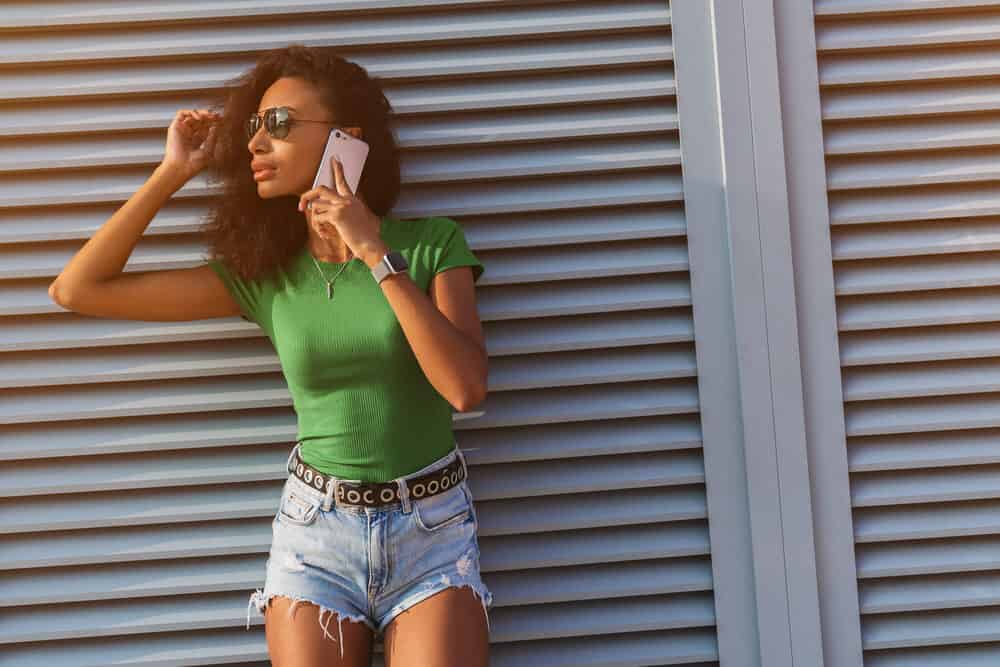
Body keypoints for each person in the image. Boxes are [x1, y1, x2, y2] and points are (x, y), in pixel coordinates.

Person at [48, 44, 492, 667]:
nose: (256, 143)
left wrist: (372, 252)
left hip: (432, 532)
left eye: (278, 124)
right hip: (318, 533)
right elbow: (77, 289)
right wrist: (174, 171)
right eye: (253, 127)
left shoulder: (431, 245)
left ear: (347, 140)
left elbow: (466, 388)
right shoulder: (266, 276)